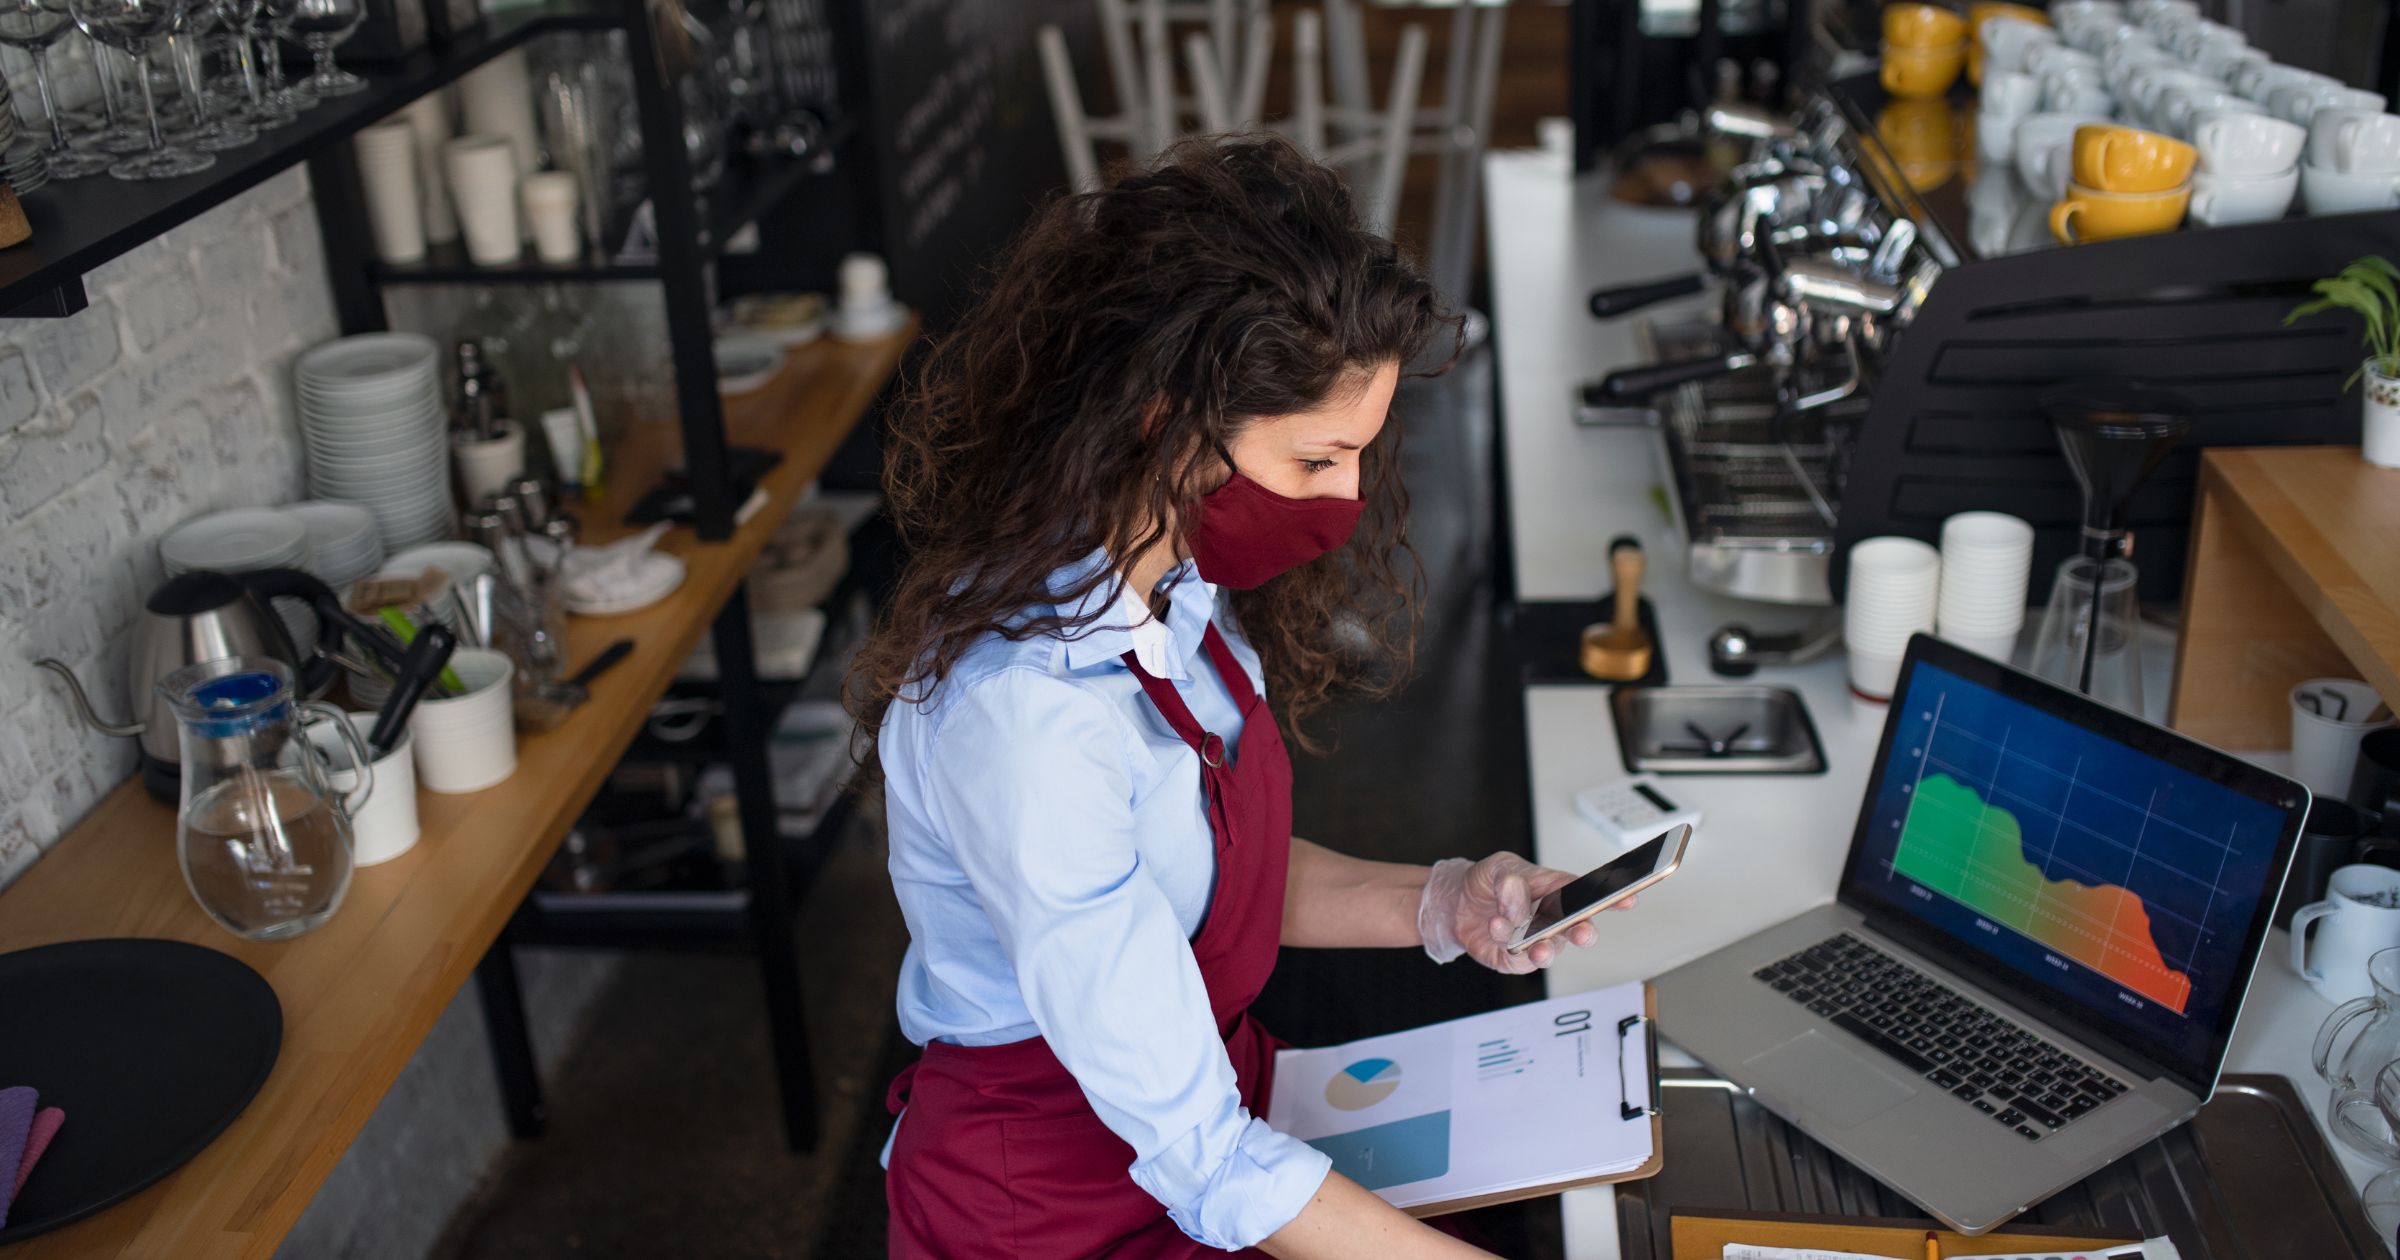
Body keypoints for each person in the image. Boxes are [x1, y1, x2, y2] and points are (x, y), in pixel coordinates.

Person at [852, 136, 1618, 1260]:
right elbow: (1207, 1160)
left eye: (1363, 453)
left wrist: (1445, 903)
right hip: (1058, 1204)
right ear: (1165, 422)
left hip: (1211, 1118)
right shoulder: (1024, 717)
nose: (1352, 499)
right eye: (1317, 461)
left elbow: (1210, 885)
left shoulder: (1173, 591)